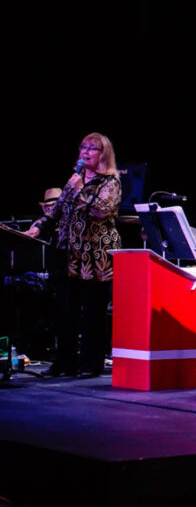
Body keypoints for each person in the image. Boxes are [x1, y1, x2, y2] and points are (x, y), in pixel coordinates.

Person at [25, 133, 122, 378]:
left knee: (93, 313)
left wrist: (81, 190)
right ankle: (64, 363)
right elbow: (57, 210)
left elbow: (100, 211)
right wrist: (39, 226)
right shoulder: (74, 180)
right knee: (65, 311)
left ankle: (90, 365)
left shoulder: (110, 182)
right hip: (69, 254)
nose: (85, 152)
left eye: (93, 148)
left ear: (103, 155)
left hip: (95, 257)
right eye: (83, 147)